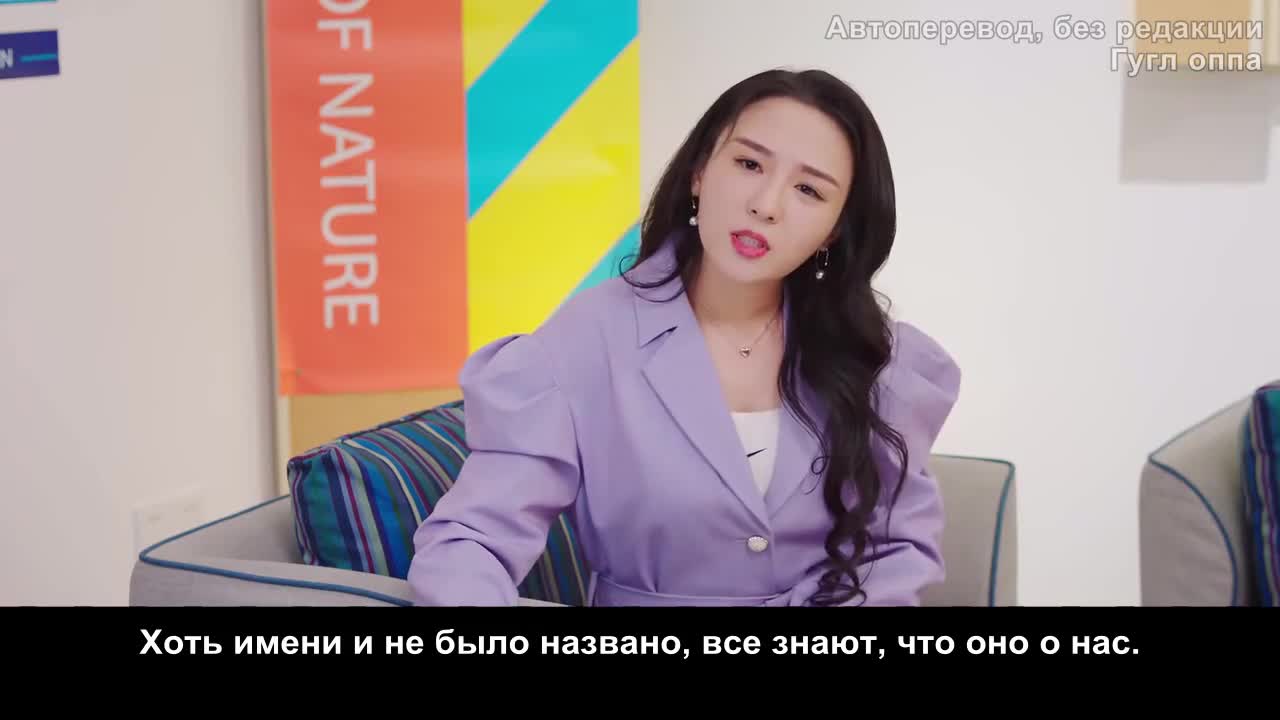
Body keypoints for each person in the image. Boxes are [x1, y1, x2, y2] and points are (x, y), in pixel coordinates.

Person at [407, 67, 961, 607]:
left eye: (808, 190)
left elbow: (895, 549)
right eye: (748, 163)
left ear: (834, 230)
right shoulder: (584, 340)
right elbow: (474, 539)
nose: (766, 205)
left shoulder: (877, 358)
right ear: (699, 172)